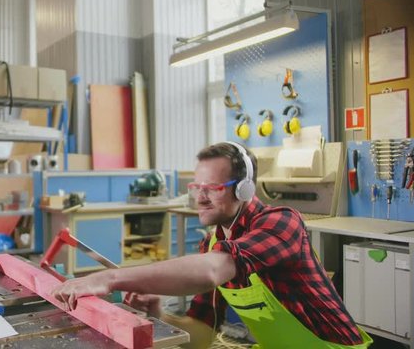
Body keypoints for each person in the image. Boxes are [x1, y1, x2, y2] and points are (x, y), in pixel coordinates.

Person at [51, 142, 372, 348]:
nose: (200, 197)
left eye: (213, 187)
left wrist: (107, 278)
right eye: (196, 186)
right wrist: (160, 315)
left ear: (245, 189)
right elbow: (203, 336)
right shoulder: (213, 241)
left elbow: (213, 269)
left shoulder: (282, 222)